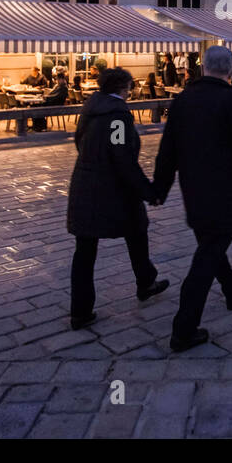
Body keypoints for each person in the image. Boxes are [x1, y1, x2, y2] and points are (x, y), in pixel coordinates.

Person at [153, 45, 232, 352]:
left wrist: (159, 189)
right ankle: (183, 330)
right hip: (228, 193)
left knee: (211, 247)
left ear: (202, 68)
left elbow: (167, 152)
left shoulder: (182, 102)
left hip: (195, 192)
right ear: (230, 71)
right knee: (205, 259)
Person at [65, 67, 169, 330]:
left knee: (85, 250)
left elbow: (80, 143)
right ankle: (145, 282)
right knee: (136, 232)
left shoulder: (90, 110)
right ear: (124, 88)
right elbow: (122, 157)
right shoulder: (117, 118)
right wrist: (149, 192)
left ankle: (80, 310)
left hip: (84, 184)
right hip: (113, 189)